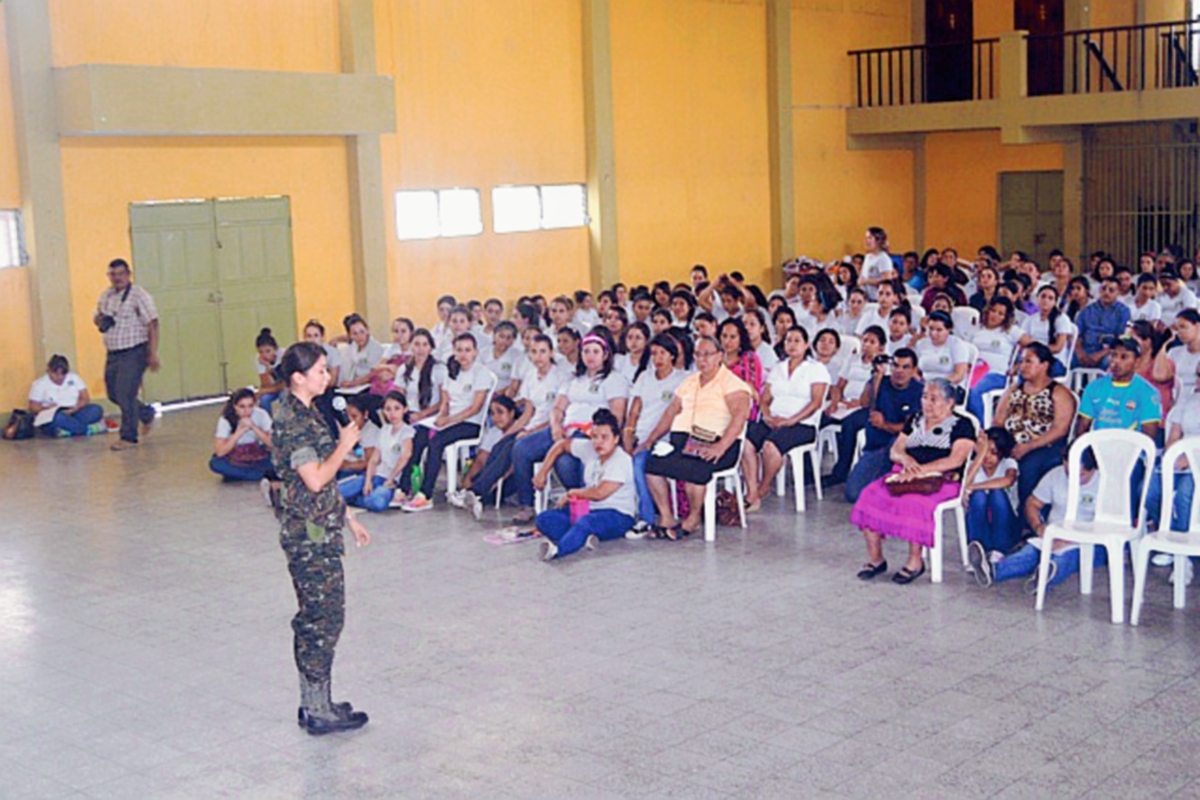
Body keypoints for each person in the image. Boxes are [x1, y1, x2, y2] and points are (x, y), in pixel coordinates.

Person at [270, 341, 371, 735]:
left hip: (321, 526)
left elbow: (319, 485)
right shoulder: (294, 421)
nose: (327, 377)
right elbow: (314, 479)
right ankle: (315, 708)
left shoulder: (307, 411)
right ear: (298, 377)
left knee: (325, 617)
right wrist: (345, 447)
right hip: (308, 538)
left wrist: (348, 517)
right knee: (320, 620)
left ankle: (319, 700)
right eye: (320, 371)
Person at [850, 378, 976, 584]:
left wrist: (920, 471)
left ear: (950, 402)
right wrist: (906, 459)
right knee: (870, 495)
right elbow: (895, 450)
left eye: (934, 399)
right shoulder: (915, 419)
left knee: (914, 503)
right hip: (905, 474)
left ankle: (915, 561)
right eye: (925, 397)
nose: (927, 403)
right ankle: (876, 559)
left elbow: (956, 459)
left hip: (941, 480)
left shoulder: (962, 425)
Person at [641, 335, 752, 539]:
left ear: (720, 356)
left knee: (696, 469)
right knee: (652, 466)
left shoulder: (732, 384)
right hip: (686, 442)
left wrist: (719, 447)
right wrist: (651, 438)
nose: (702, 359)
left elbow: (740, 417)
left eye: (708, 354)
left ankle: (692, 519)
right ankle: (667, 517)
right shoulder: (690, 381)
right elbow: (671, 411)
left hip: (719, 444)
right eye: (698, 355)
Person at [509, 333, 628, 523]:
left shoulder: (614, 380)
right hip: (565, 429)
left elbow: (616, 416)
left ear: (605, 355)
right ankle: (527, 504)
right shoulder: (573, 379)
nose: (591, 356)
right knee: (521, 448)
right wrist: (556, 426)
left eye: (596, 352)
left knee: (564, 462)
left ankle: (580, 502)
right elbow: (557, 407)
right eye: (586, 351)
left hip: (591, 434)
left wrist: (594, 432)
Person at [970, 449, 1106, 592]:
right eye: (1068, 473)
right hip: (1054, 533)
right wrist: (1038, 526)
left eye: (1080, 475)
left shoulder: (1105, 483)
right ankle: (993, 571)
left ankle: (1046, 575)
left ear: (1093, 469)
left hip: (1086, 540)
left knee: (1068, 558)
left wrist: (1072, 539)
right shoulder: (1055, 475)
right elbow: (1032, 503)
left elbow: (1109, 524)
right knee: (1028, 553)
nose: (1072, 479)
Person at [516, 409, 638, 560]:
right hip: (589, 510)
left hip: (618, 515)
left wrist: (572, 493)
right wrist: (543, 472)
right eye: (594, 437)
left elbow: (600, 493)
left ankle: (558, 550)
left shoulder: (621, 459)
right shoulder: (590, 449)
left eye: (604, 437)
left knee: (585, 522)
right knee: (544, 519)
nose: (598, 442)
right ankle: (583, 537)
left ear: (616, 439)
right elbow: (560, 445)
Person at [403, 333, 495, 511]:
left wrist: (448, 420)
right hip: (450, 420)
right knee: (419, 435)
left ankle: (426, 494)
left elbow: (475, 408)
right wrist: (441, 416)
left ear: (475, 352)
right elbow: (446, 400)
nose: (463, 355)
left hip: (470, 423)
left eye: (468, 350)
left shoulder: (481, 373)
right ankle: (405, 487)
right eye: (459, 350)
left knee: (436, 442)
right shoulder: (452, 370)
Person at [742, 325, 829, 508]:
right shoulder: (778, 368)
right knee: (745, 441)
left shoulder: (815, 368)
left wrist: (791, 420)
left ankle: (762, 489)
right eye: (788, 340)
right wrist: (766, 416)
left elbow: (816, 403)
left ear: (806, 345)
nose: (792, 345)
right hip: (774, 419)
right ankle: (751, 489)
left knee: (770, 446)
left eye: (797, 340)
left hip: (802, 424)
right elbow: (765, 399)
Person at [993, 343, 1077, 507]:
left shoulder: (1058, 393)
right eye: (1022, 361)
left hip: (1043, 445)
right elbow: (998, 421)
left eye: (1028, 361)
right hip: (1011, 443)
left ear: (1044, 365)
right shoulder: (1014, 390)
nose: (1022, 366)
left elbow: (1060, 429)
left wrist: (1028, 446)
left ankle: (1026, 520)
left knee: (1030, 466)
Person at [838, 348, 924, 500]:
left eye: (905, 367)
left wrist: (884, 425)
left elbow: (909, 428)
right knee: (853, 494)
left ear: (914, 370)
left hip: (899, 448)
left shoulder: (918, 391)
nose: (899, 371)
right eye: (896, 365)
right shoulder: (880, 381)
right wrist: (876, 378)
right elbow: (865, 404)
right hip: (874, 447)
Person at [94, 257, 159, 450]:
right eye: (113, 274)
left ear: (128, 274)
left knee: (125, 393)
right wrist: (101, 320)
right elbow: (97, 316)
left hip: (135, 351)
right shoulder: (106, 296)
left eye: (121, 274)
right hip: (113, 353)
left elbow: (153, 323)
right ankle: (145, 413)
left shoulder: (139, 295)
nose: (117, 278)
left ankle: (128, 437)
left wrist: (153, 353)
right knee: (113, 393)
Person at [624, 334, 686, 529]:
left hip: (663, 440)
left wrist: (648, 442)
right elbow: (634, 410)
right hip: (639, 436)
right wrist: (628, 436)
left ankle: (647, 518)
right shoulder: (644, 377)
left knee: (639, 462)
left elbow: (673, 416)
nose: (658, 358)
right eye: (654, 354)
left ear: (672, 356)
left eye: (663, 353)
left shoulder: (682, 379)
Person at [339, 391, 414, 512]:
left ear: (405, 409)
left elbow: (405, 456)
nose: (392, 413)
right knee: (340, 490)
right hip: (377, 475)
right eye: (388, 409)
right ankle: (355, 498)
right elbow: (374, 459)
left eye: (397, 408)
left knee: (377, 502)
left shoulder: (407, 432)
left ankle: (354, 500)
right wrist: (368, 480)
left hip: (393, 480)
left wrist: (391, 478)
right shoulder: (384, 430)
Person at [450, 395, 524, 517]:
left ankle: (476, 493)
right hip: (490, 475)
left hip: (509, 477)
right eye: (493, 414)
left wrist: (493, 483)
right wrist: (468, 479)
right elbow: (481, 459)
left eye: (500, 412)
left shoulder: (520, 433)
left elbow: (511, 467)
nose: (496, 418)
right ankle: (472, 493)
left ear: (512, 413)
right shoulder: (493, 432)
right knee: (476, 476)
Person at [1076, 336, 1161, 440]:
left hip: (1133, 451)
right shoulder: (1094, 387)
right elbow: (1082, 427)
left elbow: (1148, 437)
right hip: (1098, 447)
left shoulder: (1148, 393)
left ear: (1137, 362)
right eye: (1113, 355)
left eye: (1124, 357)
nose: (1115, 361)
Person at [962, 426, 1021, 561]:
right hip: (978, 523)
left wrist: (974, 486)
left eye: (993, 452)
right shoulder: (974, 465)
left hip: (1005, 526)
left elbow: (1008, 480)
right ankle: (977, 548)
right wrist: (979, 455)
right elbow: (964, 483)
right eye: (985, 451)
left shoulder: (1008, 463)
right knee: (979, 496)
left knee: (997, 494)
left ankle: (998, 550)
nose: (987, 457)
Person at [967, 298, 1022, 421]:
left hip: (996, 374)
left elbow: (1033, 347)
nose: (995, 315)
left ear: (1005, 317)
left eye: (1000, 313)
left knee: (974, 390)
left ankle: (980, 427)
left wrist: (1019, 366)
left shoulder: (1010, 331)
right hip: (974, 372)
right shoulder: (977, 329)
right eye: (993, 311)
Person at [27, 354, 105, 437]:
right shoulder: (39, 384)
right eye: (56, 374)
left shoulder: (74, 378)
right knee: (57, 419)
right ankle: (85, 429)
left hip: (75, 411)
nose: (60, 377)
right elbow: (33, 406)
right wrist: (47, 409)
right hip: (53, 415)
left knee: (96, 409)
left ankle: (69, 430)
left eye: (63, 374)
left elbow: (85, 398)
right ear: (49, 371)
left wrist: (77, 407)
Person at [210, 387, 275, 483]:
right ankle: (259, 475)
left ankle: (243, 475)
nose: (247, 411)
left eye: (250, 406)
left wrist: (254, 428)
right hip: (235, 457)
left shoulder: (261, 415)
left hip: (258, 454)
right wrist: (239, 432)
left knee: (279, 458)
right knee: (216, 464)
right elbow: (220, 452)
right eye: (242, 407)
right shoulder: (225, 419)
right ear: (235, 406)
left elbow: (273, 444)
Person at [1073, 277, 1130, 369]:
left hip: (1109, 351)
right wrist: (1080, 354)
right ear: (1099, 290)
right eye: (1104, 289)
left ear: (1118, 293)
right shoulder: (1086, 310)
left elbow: (1121, 338)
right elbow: (1077, 336)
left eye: (1111, 290)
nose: (1106, 292)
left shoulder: (1123, 312)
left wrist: (1099, 355)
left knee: (1108, 362)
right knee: (1070, 362)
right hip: (1085, 350)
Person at [1018, 285, 1071, 374]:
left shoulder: (1061, 319)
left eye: (1050, 298)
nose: (1046, 300)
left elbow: (1058, 347)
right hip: (1031, 359)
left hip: (1054, 360)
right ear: (1037, 299)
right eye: (1043, 296)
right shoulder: (1030, 319)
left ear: (1055, 302)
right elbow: (1022, 342)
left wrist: (1037, 352)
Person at [914, 311, 970, 389]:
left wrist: (937, 385)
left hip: (949, 386)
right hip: (924, 385)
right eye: (931, 329)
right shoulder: (921, 344)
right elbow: (914, 370)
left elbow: (959, 374)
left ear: (948, 330)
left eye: (939, 330)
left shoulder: (957, 345)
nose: (933, 333)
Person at [1152, 309, 1200, 400]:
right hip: (1177, 402)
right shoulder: (1174, 352)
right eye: (1177, 329)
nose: (1179, 332)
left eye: (1183, 327)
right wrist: (1164, 344)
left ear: (1198, 326)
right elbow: (1160, 376)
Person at [338, 313, 386, 392]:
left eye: (362, 332)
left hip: (370, 385)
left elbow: (373, 374)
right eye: (355, 333)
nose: (359, 336)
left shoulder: (375, 348)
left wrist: (352, 383)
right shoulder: (354, 345)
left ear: (367, 330)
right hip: (356, 384)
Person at [858, 227, 896, 301]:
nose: (866, 241)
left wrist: (867, 281)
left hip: (877, 298)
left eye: (869, 238)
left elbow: (887, 280)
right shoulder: (868, 257)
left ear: (878, 240)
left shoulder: (883, 258)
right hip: (866, 297)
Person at [255, 328, 285, 411]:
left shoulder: (283, 356)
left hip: (286, 388)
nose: (264, 355)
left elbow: (284, 385)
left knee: (284, 396)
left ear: (275, 349)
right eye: (261, 352)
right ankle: (267, 422)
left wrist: (263, 391)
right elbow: (267, 384)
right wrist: (267, 367)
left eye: (268, 351)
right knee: (264, 399)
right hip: (273, 388)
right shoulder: (260, 360)